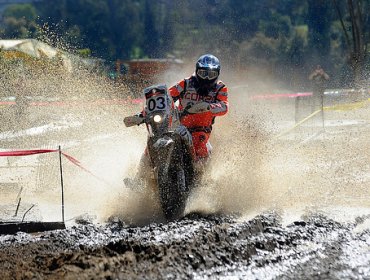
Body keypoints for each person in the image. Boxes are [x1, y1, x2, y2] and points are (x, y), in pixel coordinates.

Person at [124, 54, 228, 186]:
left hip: (201, 129)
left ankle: (204, 183)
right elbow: (166, 98)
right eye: (203, 73)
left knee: (201, 149)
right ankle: (138, 179)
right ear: (197, 71)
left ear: (217, 74)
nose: (206, 78)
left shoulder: (220, 88)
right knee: (150, 144)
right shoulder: (186, 83)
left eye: (211, 74)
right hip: (179, 125)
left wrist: (208, 106)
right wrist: (143, 114)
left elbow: (224, 107)